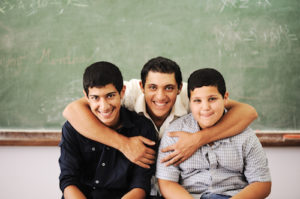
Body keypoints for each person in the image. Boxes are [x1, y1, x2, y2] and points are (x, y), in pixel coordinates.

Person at [62, 57, 258, 197]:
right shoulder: (124, 92)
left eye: (169, 88)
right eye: (153, 88)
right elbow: (72, 111)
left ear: (180, 88)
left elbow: (248, 112)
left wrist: (198, 139)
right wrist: (124, 144)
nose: (160, 96)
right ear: (141, 86)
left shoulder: (196, 97)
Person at [156, 68, 271, 199]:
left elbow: (262, 183)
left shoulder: (245, 136)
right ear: (190, 102)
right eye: (197, 101)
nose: (205, 107)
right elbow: (166, 182)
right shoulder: (174, 133)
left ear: (225, 98)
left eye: (212, 99)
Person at [59, 61, 157, 199]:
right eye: (95, 98)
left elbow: (140, 185)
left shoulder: (142, 128)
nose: (104, 106)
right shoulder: (72, 128)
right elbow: (68, 181)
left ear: (122, 92)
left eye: (110, 95)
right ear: (86, 97)